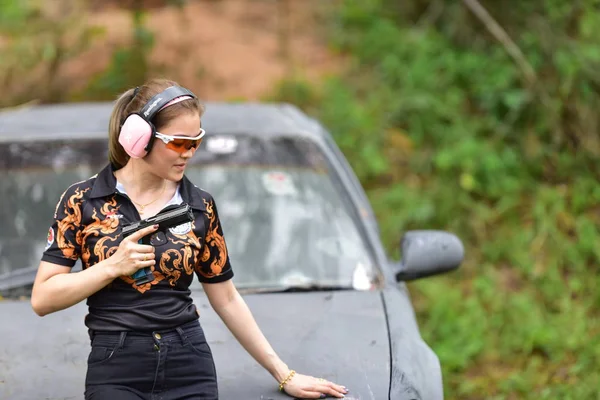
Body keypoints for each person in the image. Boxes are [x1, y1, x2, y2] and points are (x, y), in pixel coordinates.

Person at [30, 78, 348, 400]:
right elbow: (43, 298)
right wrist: (111, 267)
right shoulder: (82, 200)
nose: (189, 154)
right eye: (179, 143)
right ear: (138, 140)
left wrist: (285, 374)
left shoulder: (199, 206)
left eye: (196, 142)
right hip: (115, 365)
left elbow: (226, 298)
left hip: (189, 362)